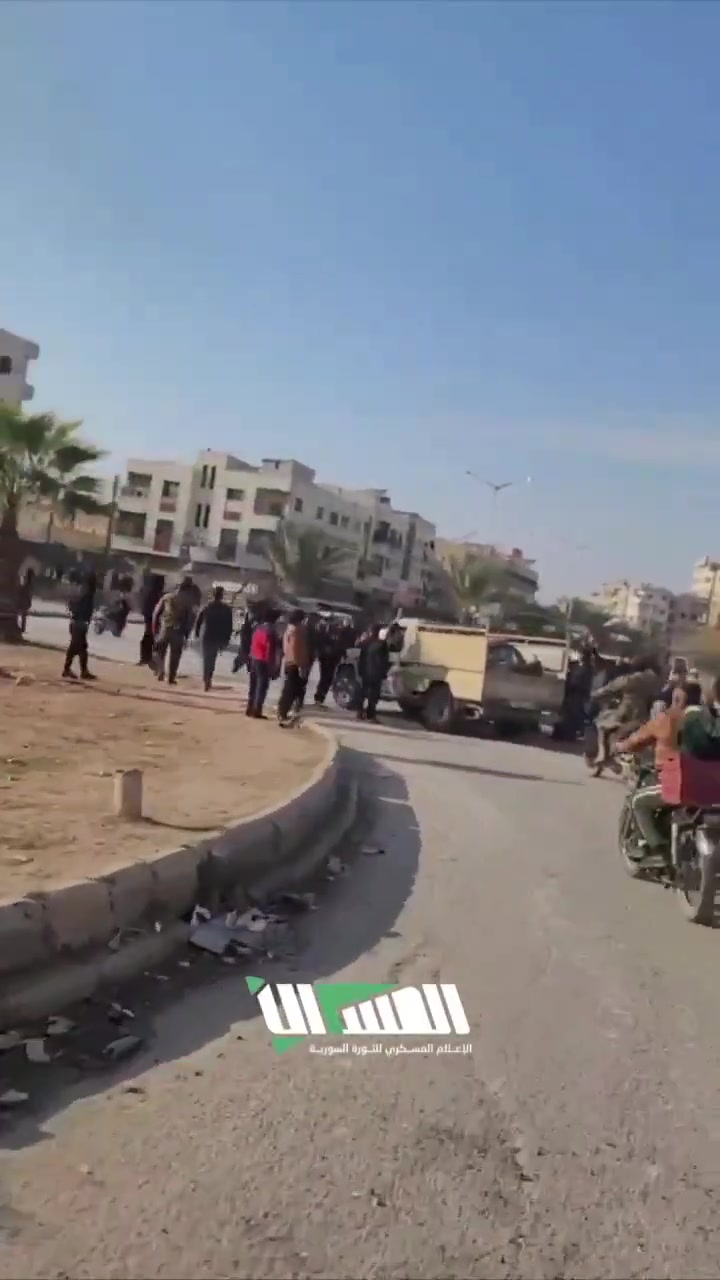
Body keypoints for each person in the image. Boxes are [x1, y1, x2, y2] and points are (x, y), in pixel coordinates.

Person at [616, 682, 702, 853]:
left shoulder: (668, 719)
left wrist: (619, 746)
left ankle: (657, 848)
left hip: (679, 783)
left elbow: (636, 740)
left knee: (637, 802)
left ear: (678, 699)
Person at [592, 656, 662, 768]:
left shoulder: (629, 679)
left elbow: (609, 689)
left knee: (601, 724)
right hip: (644, 717)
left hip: (626, 715)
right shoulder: (654, 682)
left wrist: (594, 694)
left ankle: (603, 756)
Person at [152, 576, 197, 685]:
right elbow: (190, 620)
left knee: (159, 651)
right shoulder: (189, 602)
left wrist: (154, 629)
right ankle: (171, 678)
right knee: (175, 656)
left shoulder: (167, 597)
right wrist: (187, 635)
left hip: (165, 629)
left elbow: (156, 614)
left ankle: (160, 671)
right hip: (178, 632)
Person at [194, 585, 234, 691]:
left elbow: (198, 621)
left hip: (207, 636)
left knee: (206, 659)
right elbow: (229, 626)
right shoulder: (226, 609)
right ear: (222, 595)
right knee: (212, 659)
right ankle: (208, 678)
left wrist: (197, 633)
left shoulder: (207, 607)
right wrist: (226, 639)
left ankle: (206, 679)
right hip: (218, 637)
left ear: (212, 595)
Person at [277, 608, 311, 725]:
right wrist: (301, 664)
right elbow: (296, 649)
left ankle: (285, 710)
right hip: (295, 663)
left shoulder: (288, 629)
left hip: (289, 661)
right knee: (291, 689)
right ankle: (283, 712)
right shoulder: (297, 630)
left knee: (293, 688)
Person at [62, 571, 98, 680]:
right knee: (76, 648)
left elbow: (72, 605)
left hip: (78, 623)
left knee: (80, 648)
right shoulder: (85, 594)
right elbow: (75, 606)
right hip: (78, 623)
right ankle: (69, 670)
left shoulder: (83, 592)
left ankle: (81, 671)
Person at [246, 607, 279, 718]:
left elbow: (253, 643)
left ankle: (250, 708)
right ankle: (257, 710)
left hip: (254, 658)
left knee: (253, 685)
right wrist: (273, 667)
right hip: (263, 661)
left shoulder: (258, 627)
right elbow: (270, 650)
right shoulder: (272, 631)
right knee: (262, 686)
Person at [356, 623, 390, 722]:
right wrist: (384, 673)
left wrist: (359, 670)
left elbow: (358, 654)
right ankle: (370, 716)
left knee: (362, 693)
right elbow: (385, 660)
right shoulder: (382, 644)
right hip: (376, 673)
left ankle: (359, 713)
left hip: (364, 671)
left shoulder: (365, 642)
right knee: (373, 695)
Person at [139, 576, 164, 666]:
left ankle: (147, 659)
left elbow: (145, 608)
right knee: (152, 638)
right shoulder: (156, 594)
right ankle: (148, 659)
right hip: (152, 619)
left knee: (150, 638)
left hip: (151, 618)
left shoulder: (151, 592)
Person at [232, 609, 254, 674]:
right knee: (245, 657)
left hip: (245, 644)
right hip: (246, 644)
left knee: (242, 657)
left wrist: (237, 632)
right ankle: (249, 668)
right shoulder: (248, 625)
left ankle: (248, 668)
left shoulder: (247, 625)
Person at [17, 567, 34, 634]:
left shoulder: (26, 580)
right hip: (25, 599)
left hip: (24, 599)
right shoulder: (29, 582)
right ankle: (22, 628)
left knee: (22, 614)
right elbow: (29, 592)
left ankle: (22, 628)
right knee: (23, 615)